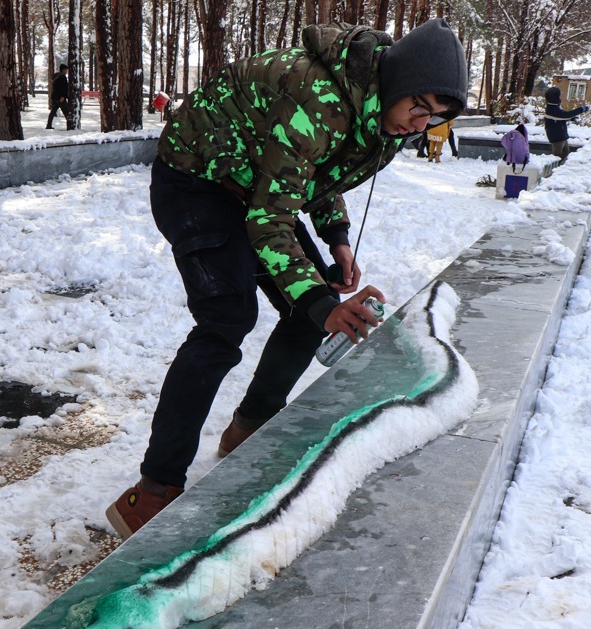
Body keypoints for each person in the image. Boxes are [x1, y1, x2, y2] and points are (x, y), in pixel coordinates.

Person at [104, 19, 468, 540]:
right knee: (226, 319)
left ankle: (248, 429)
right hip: (199, 179)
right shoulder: (319, 96)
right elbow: (270, 218)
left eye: (435, 119)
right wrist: (323, 302)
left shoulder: (380, 118)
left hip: (255, 184)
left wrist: (336, 236)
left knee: (307, 314)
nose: (420, 124)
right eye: (419, 107)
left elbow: (318, 172)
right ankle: (153, 490)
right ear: (397, 82)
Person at [543, 86, 588, 165]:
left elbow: (560, 117)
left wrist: (571, 119)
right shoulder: (552, 109)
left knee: (566, 151)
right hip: (556, 134)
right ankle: (553, 169)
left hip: (561, 133)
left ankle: (558, 167)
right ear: (555, 97)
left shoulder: (554, 107)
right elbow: (565, 115)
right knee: (557, 155)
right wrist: (581, 109)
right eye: (559, 95)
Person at [46, 63, 69, 129]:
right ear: (63, 70)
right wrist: (63, 96)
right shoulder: (62, 77)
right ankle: (70, 125)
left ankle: (48, 125)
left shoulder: (56, 77)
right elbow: (63, 88)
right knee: (66, 112)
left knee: (53, 112)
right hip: (60, 98)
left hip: (55, 97)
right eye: (66, 70)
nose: (66, 72)